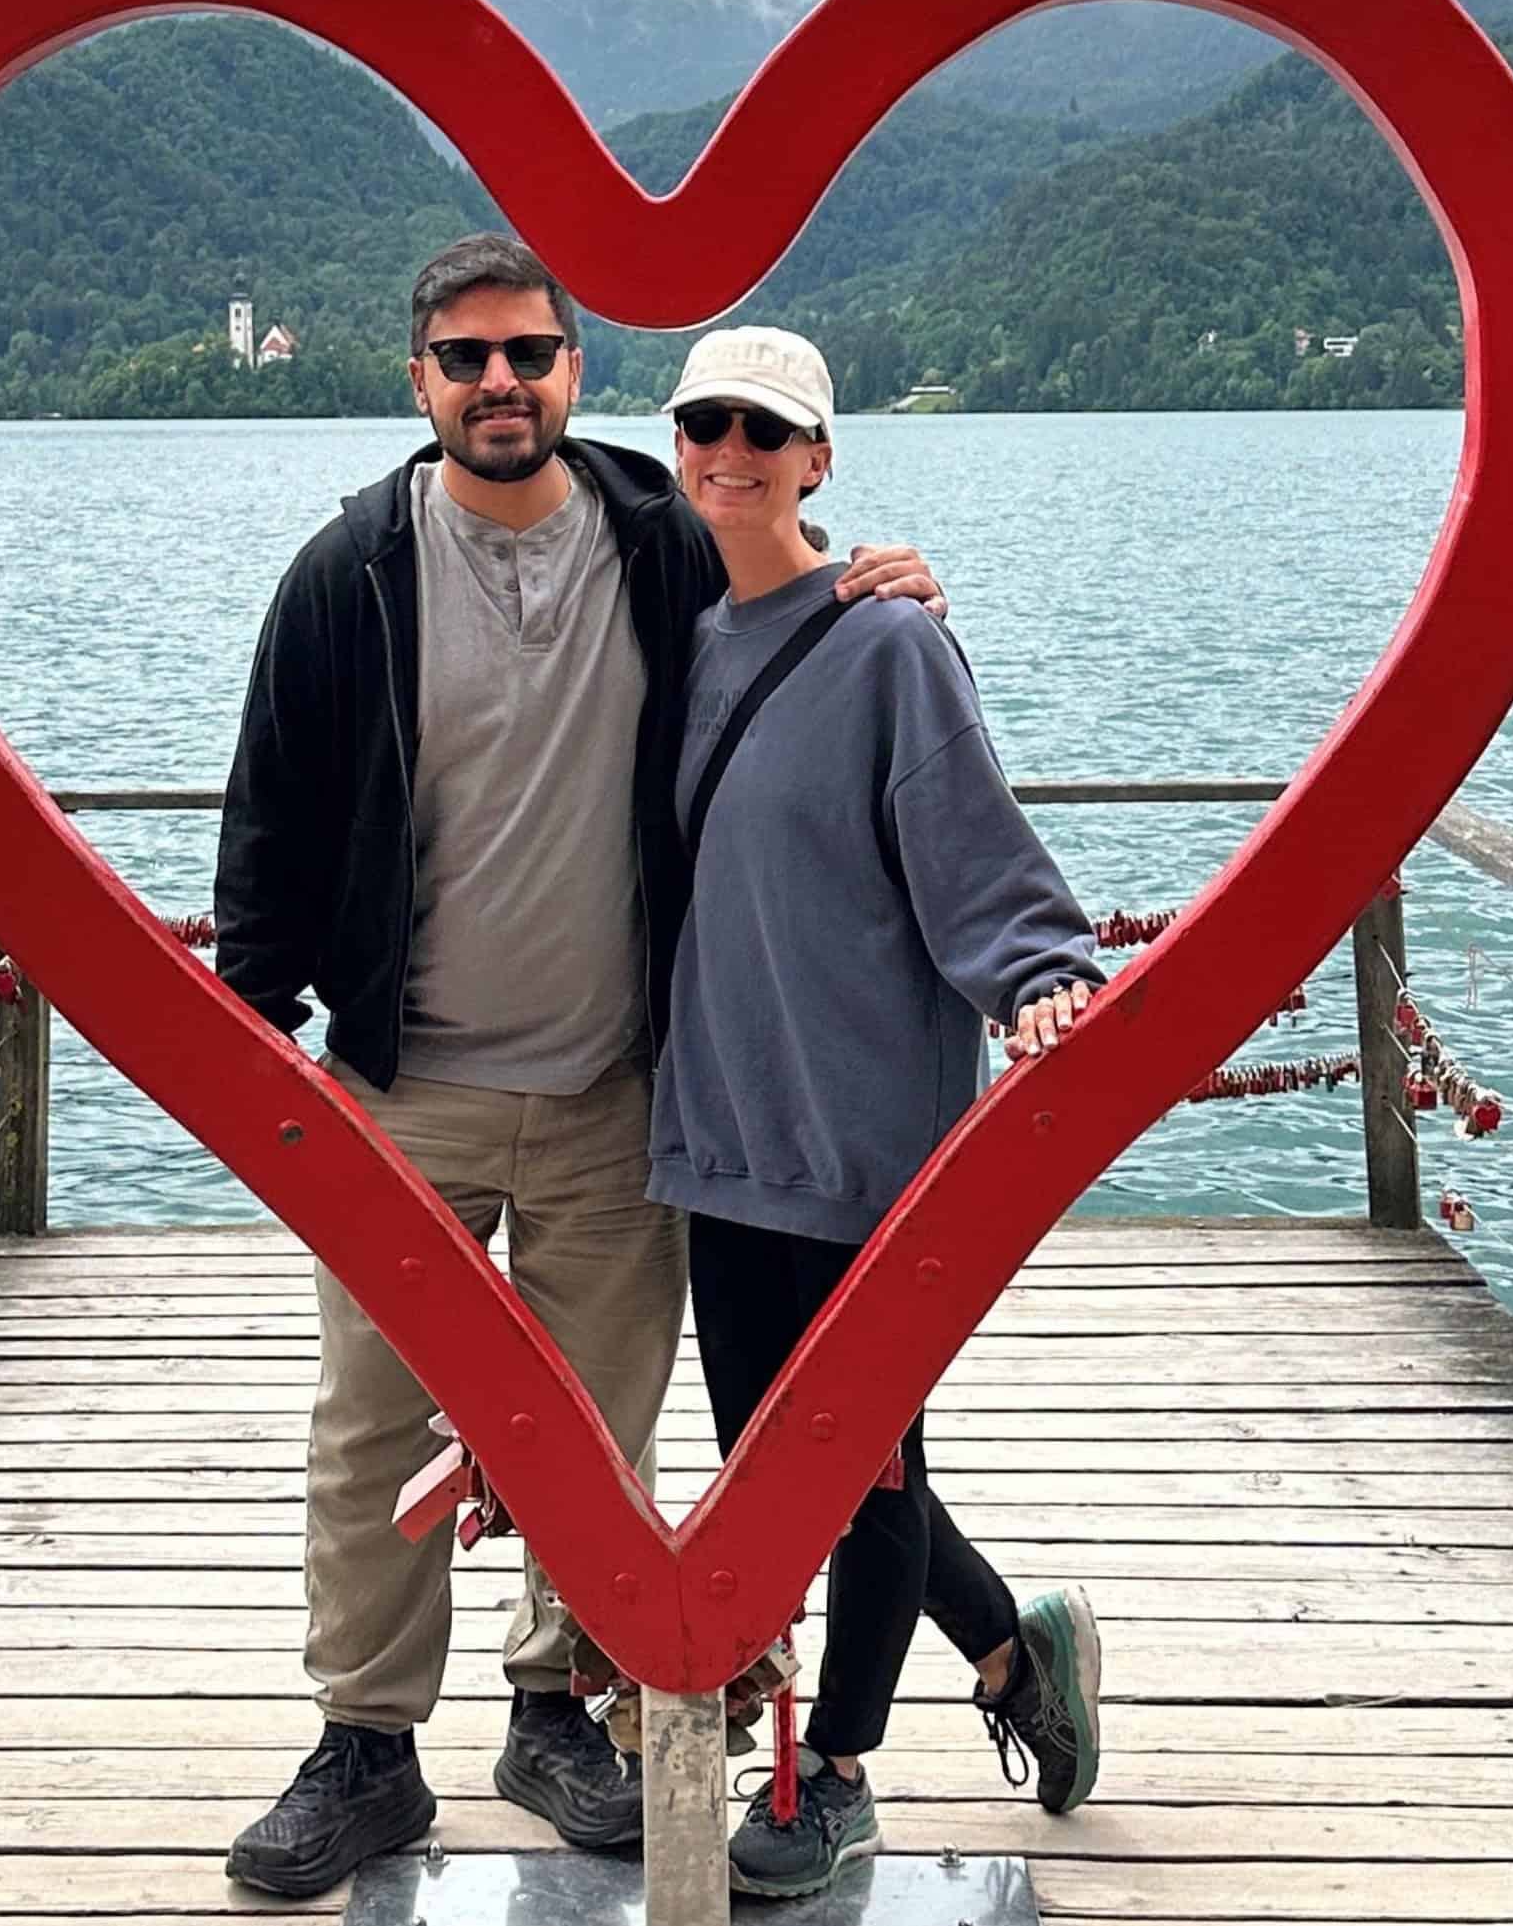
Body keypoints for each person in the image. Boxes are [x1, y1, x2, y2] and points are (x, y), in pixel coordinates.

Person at [212, 236, 945, 1898]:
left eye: (529, 354)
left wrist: (869, 580)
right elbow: (267, 824)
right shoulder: (350, 573)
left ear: (573, 371)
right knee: (365, 1423)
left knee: (595, 1440)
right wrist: (263, 1056)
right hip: (402, 1089)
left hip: (623, 1088)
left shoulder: (656, 533)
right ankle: (366, 1746)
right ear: (416, 379)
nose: (498, 384)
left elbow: (784, 602)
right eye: (464, 357)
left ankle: (553, 1710)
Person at [644, 325, 1107, 1899]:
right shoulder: (691, 635)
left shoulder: (890, 641)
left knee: (869, 1464)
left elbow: (973, 842)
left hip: (861, 1143)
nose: (730, 447)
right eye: (705, 420)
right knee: (792, 1466)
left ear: (818, 457)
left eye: (765, 429)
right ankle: (1009, 1653)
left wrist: (1039, 974)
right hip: (716, 1130)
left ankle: (835, 1771)